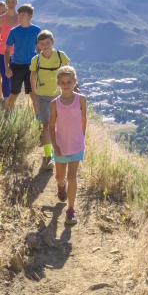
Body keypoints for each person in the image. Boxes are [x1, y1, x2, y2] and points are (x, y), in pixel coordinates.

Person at [48, 65, 86, 225]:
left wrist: (82, 138)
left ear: (74, 81)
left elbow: (84, 120)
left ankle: (71, 210)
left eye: (69, 81)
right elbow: (51, 126)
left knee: (72, 177)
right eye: (62, 82)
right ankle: (60, 185)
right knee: (60, 176)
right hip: (60, 145)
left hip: (76, 144)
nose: (66, 85)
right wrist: (55, 146)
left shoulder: (81, 99)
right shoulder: (54, 103)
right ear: (58, 83)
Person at [31, 30, 69, 169]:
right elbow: (33, 77)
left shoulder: (61, 56)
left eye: (48, 43)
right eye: (42, 44)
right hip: (42, 97)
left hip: (58, 96)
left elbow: (68, 73)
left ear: (52, 42)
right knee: (47, 126)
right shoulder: (36, 60)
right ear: (38, 46)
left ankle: (59, 152)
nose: (45, 46)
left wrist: (73, 89)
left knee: (58, 126)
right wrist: (33, 94)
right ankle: (49, 157)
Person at [3, 3, 40, 117]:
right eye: (20, 14)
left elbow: (40, 51)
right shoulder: (14, 31)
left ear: (30, 16)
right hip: (16, 66)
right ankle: (9, 116)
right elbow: (7, 51)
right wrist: (7, 68)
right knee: (14, 94)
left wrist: (40, 67)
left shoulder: (37, 30)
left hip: (31, 67)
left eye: (23, 14)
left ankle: (38, 118)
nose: (20, 16)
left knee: (33, 94)